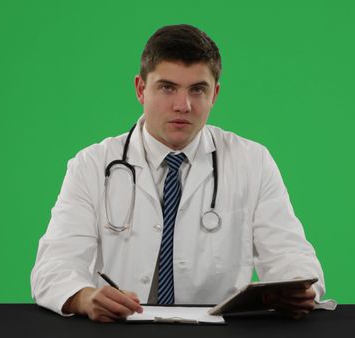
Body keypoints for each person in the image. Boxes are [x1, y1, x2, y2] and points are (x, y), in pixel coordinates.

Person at [31, 24, 333, 322]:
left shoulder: (252, 161)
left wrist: (297, 287)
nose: (182, 105)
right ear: (140, 89)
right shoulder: (92, 166)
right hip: (121, 329)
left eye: (197, 90)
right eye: (167, 88)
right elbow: (53, 267)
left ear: (214, 94)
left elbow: (291, 256)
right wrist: (84, 297)